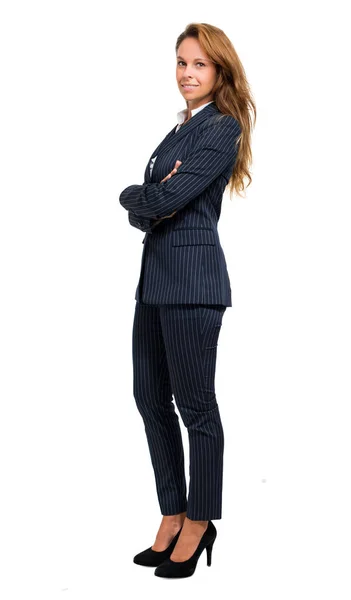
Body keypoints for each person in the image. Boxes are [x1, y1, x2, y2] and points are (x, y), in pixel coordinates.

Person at [119, 22, 256, 579]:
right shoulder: (179, 132)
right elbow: (149, 204)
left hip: (195, 284)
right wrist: (141, 198)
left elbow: (169, 195)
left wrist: (137, 195)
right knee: (149, 398)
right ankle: (172, 511)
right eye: (181, 62)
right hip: (155, 282)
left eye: (199, 64)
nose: (187, 73)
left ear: (219, 70)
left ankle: (201, 521)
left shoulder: (222, 128)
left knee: (197, 408)